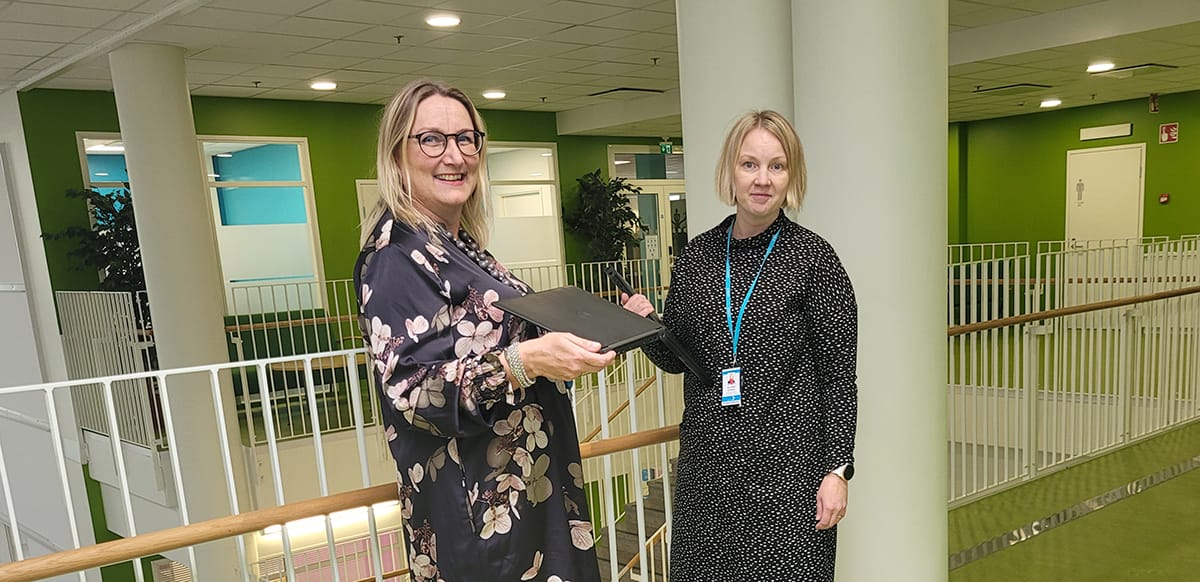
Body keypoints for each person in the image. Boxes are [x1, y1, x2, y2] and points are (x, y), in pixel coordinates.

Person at [354, 79, 614, 582]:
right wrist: (528, 362)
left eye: (466, 138)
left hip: (528, 493)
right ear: (397, 153)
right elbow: (413, 392)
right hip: (479, 515)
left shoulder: (457, 242)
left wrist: (596, 337)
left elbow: (506, 336)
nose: (454, 155)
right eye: (431, 139)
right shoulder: (396, 255)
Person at [622, 110, 859, 581]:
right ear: (730, 170)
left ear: (792, 176)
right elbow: (680, 359)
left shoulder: (814, 259)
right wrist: (647, 325)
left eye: (777, 166)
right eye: (750, 164)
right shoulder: (698, 256)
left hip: (788, 474)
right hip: (709, 472)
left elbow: (838, 376)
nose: (763, 179)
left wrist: (837, 470)